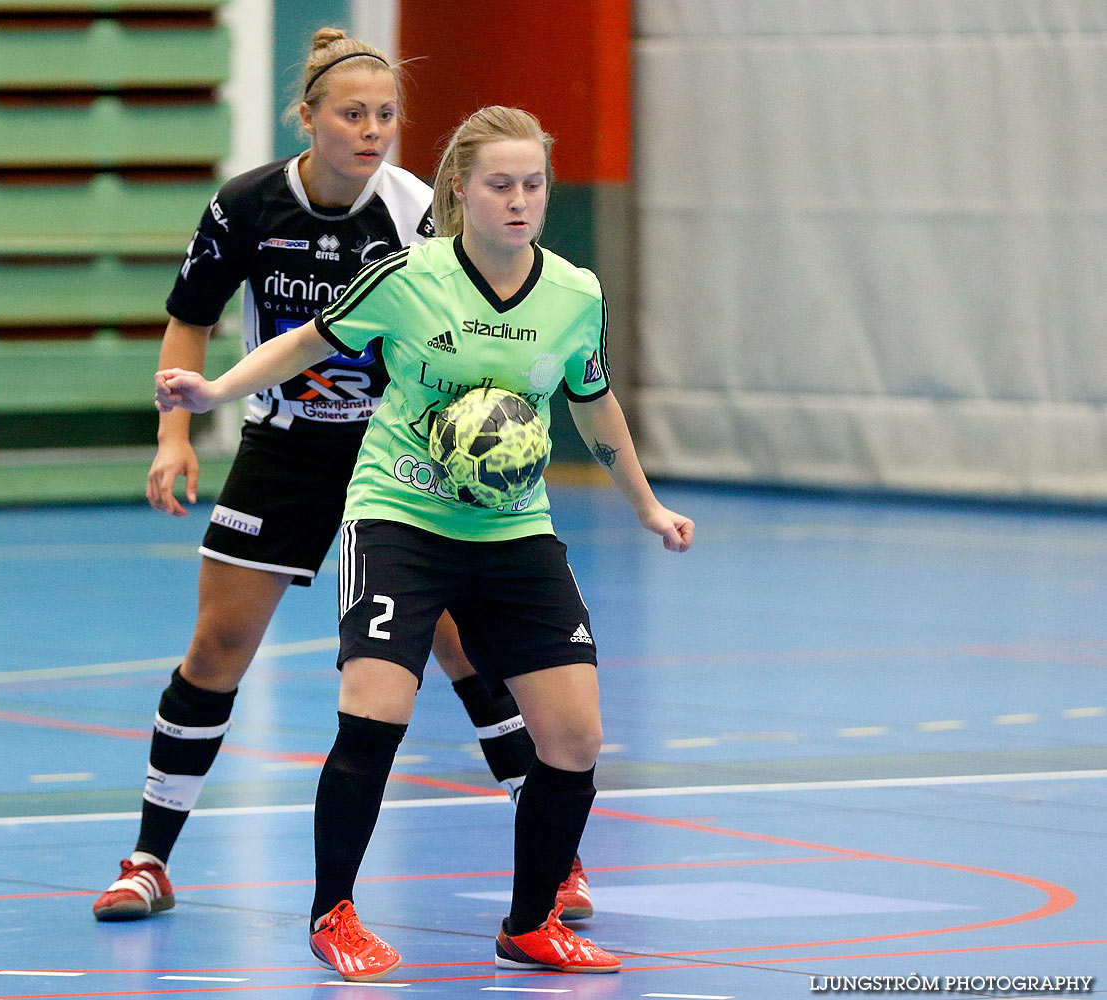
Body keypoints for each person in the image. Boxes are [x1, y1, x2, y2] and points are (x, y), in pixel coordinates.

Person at [154, 105, 694, 980]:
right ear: (458, 192)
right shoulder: (407, 278)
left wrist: (645, 505)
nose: (520, 201)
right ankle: (334, 913)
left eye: (534, 184)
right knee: (375, 714)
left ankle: (530, 924)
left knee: (575, 740)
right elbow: (303, 342)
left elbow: (594, 403)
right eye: (500, 184)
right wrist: (215, 393)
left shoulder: (575, 293)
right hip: (400, 520)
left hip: (514, 529)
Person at [93, 33, 592, 924]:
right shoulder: (247, 204)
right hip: (285, 450)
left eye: (387, 116)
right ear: (309, 119)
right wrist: (176, 436)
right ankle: (147, 858)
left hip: (398, 458)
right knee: (216, 649)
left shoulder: (412, 211)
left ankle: (558, 865)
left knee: (462, 649)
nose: (373, 132)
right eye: (352, 115)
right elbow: (189, 322)